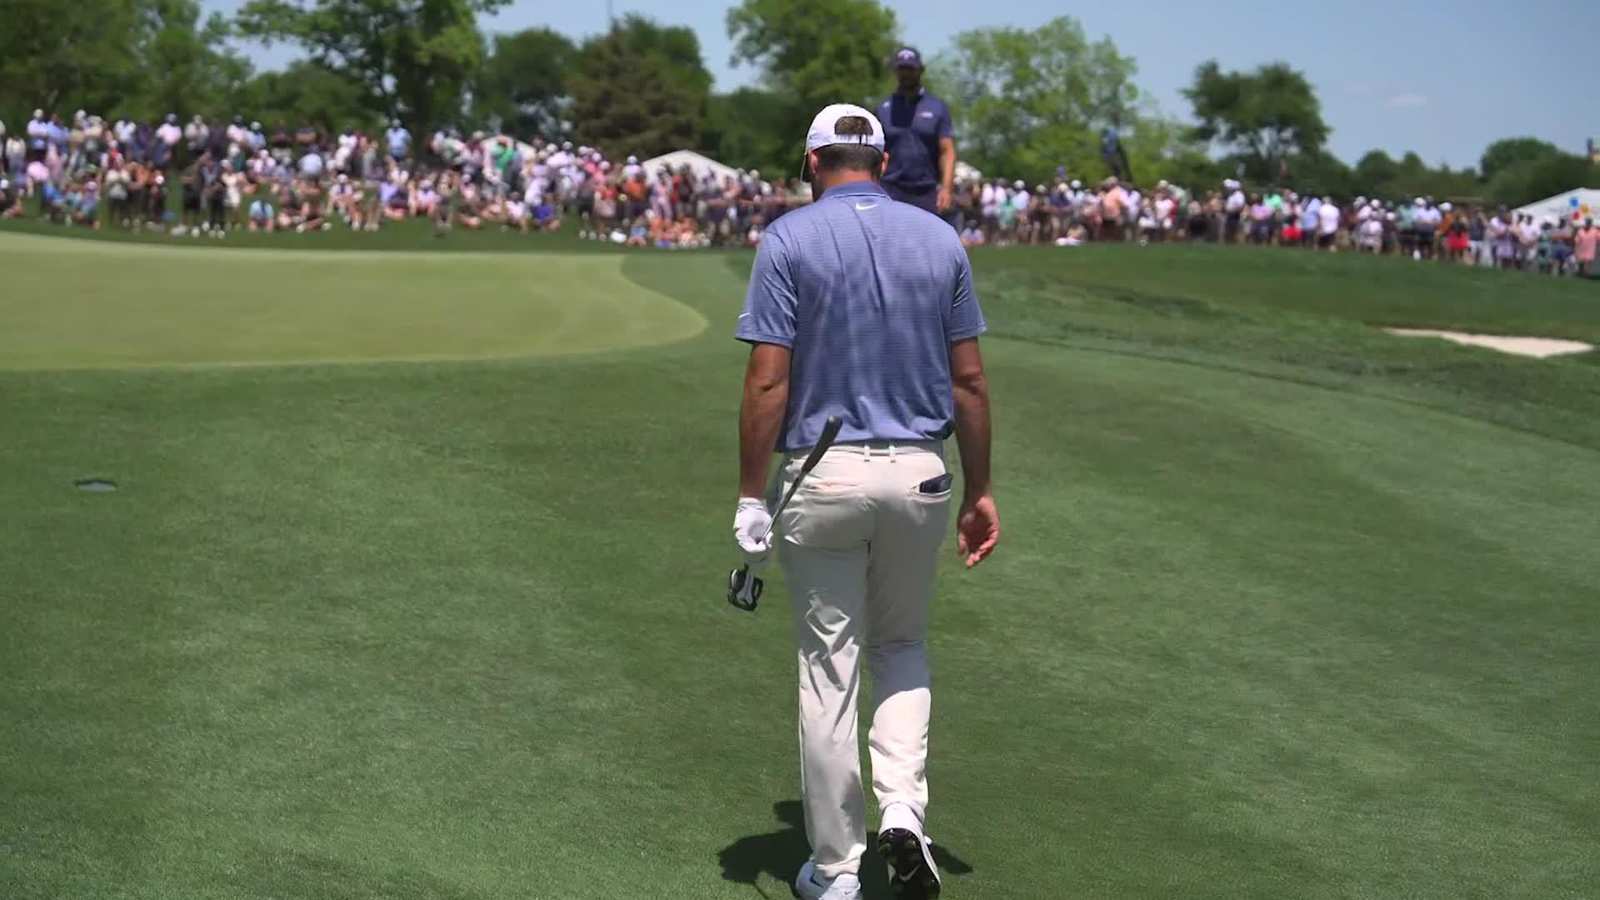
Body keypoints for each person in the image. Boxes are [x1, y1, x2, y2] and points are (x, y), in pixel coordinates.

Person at [732, 103, 998, 900]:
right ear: (883, 162)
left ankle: (840, 868)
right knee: (903, 646)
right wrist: (980, 490)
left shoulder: (787, 238)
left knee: (829, 671)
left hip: (822, 475)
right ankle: (904, 813)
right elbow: (970, 381)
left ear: (810, 161)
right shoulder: (941, 239)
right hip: (921, 473)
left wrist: (750, 496)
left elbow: (768, 380)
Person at [875, 47, 956, 219]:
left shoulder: (937, 107)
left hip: (926, 192)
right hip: (890, 190)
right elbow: (874, 153)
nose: (906, 74)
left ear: (920, 70)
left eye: (910, 69)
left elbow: (947, 151)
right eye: (901, 69)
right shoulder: (882, 109)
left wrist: (947, 189)